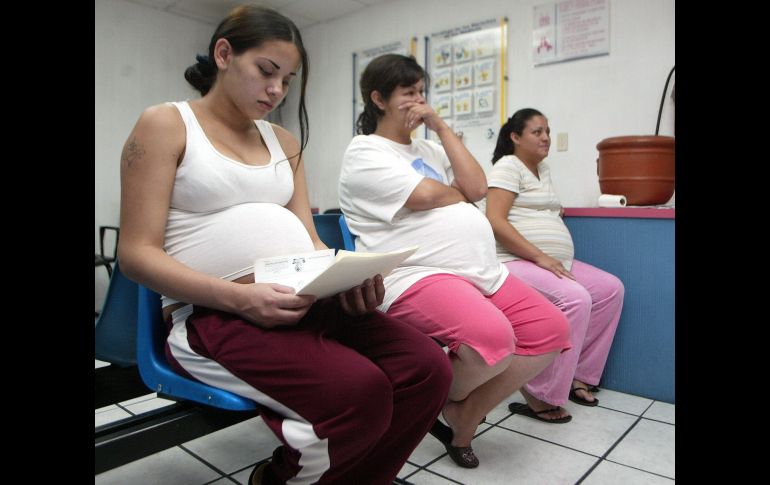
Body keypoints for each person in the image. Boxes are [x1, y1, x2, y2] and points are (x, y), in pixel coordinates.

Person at [117, 7, 452, 484]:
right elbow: (136, 254)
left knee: (428, 368)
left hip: (303, 301)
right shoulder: (166, 124)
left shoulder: (283, 139)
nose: (277, 90)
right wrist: (239, 298)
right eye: (267, 72)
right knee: (359, 394)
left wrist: (347, 280)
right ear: (224, 54)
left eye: (288, 80)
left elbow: (309, 238)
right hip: (216, 316)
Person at [338, 54, 571, 468]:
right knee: (494, 340)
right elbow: (426, 196)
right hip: (415, 272)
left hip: (478, 270)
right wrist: (457, 192)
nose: (420, 102)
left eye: (423, 92)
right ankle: (420, 399)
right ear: (378, 98)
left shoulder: (430, 144)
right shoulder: (364, 151)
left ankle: (461, 412)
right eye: (408, 93)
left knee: (550, 329)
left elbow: (477, 185)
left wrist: (442, 128)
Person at [485, 108, 625, 423]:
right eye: (537, 132)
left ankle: (579, 374)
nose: (546, 137)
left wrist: (550, 213)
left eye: (548, 131)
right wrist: (539, 255)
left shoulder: (542, 170)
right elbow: (494, 220)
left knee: (609, 289)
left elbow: (534, 207)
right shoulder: (508, 166)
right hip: (513, 261)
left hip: (552, 262)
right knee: (576, 298)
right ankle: (539, 392)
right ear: (515, 137)